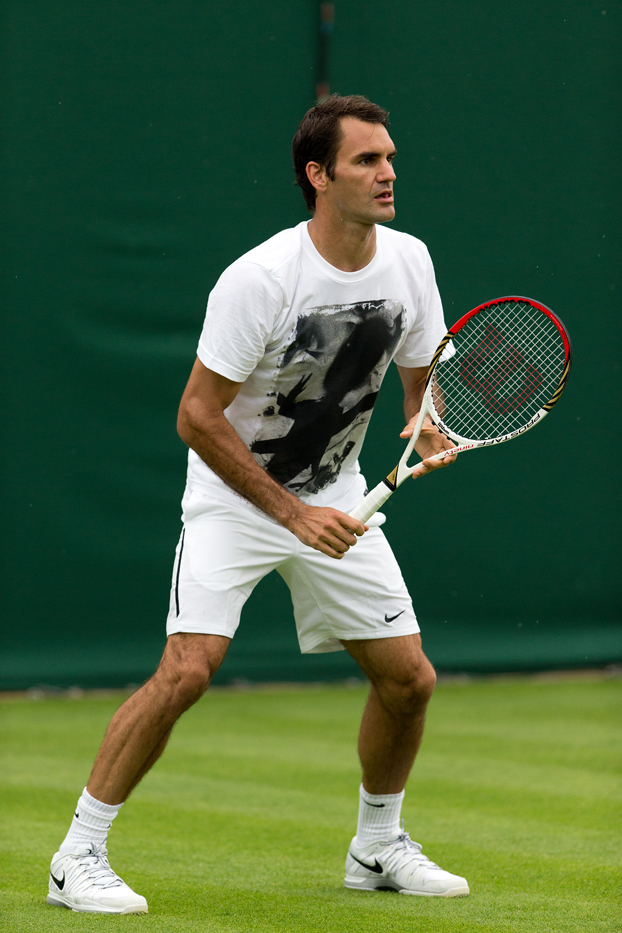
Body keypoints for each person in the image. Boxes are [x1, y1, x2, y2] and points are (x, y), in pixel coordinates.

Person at [47, 94, 468, 915]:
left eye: (389, 157)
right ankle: (77, 856)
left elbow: (422, 379)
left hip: (338, 495)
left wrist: (431, 422)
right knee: (188, 669)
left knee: (409, 681)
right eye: (366, 161)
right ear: (319, 175)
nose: (388, 173)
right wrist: (292, 514)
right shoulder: (261, 278)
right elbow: (196, 416)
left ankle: (377, 845)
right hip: (238, 501)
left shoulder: (410, 260)